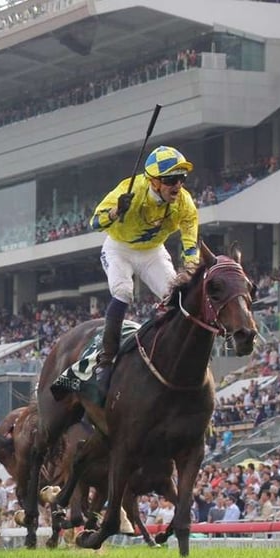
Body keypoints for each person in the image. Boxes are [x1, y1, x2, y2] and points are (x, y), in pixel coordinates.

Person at [89, 145, 199, 385]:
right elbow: (95, 222)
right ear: (154, 181)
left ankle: (173, 354)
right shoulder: (130, 189)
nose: (178, 185)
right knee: (123, 291)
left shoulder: (185, 203)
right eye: (171, 179)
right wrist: (117, 211)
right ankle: (106, 360)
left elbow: (190, 241)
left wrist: (192, 269)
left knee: (176, 297)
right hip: (119, 248)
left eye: (182, 178)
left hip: (152, 252)